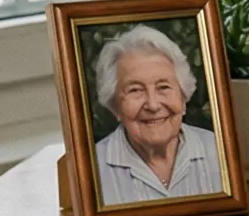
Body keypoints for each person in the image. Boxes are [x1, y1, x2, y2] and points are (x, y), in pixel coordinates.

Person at [91, 24, 224, 204]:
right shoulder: (92, 171)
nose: (153, 105)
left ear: (183, 98)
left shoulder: (220, 152)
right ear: (115, 106)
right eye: (135, 90)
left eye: (163, 87)